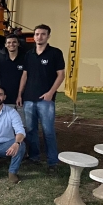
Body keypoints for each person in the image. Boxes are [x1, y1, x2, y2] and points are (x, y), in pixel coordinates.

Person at [17, 24, 65, 174]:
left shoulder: (55, 53)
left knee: (48, 131)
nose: (39, 37)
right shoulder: (29, 54)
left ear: (48, 36)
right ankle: (34, 157)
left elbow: (61, 75)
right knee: (31, 130)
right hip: (29, 98)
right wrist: (20, 94)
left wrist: (51, 92)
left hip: (45, 100)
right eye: (37, 34)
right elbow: (24, 75)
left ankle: (52, 162)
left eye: (43, 34)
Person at [0, 34, 26, 124]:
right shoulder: (1, 60)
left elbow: (26, 77)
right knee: (8, 125)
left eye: (14, 42)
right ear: (5, 45)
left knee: (22, 125)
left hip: (22, 98)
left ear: (18, 44)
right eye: (9, 42)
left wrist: (20, 95)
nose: (11, 44)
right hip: (7, 98)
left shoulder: (25, 59)